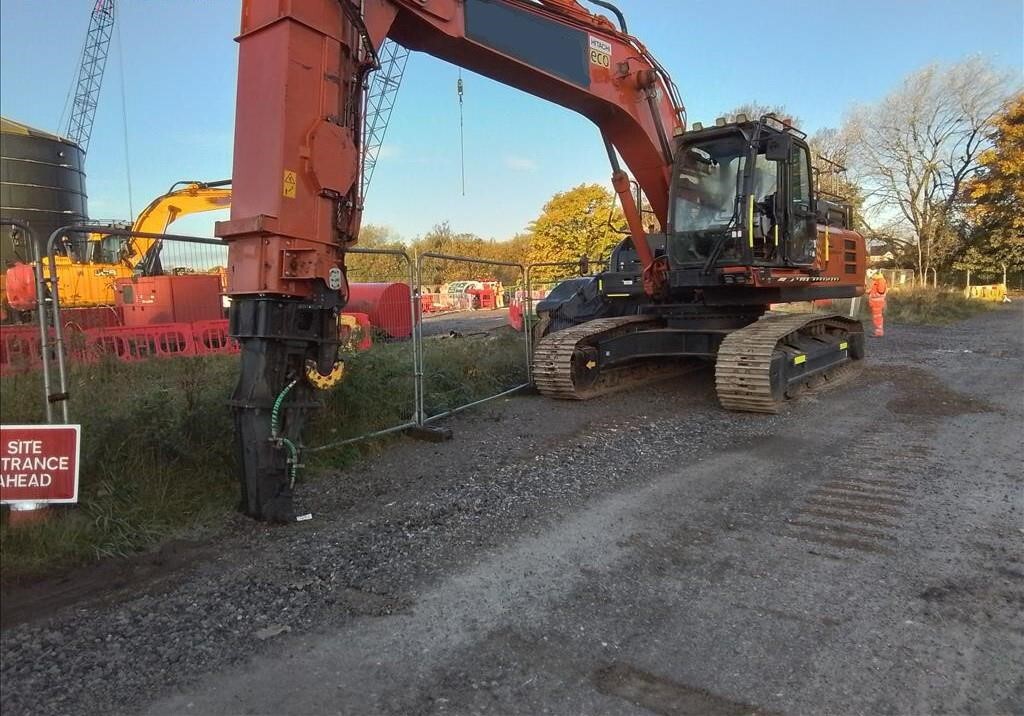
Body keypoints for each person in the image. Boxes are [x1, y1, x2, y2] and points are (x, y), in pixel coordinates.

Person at [868, 272, 888, 337]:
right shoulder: (878, 281)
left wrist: (871, 294)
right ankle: (878, 332)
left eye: (872, 276)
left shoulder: (881, 281)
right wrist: (869, 292)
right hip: (876, 303)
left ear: (876, 274)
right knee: (877, 318)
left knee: (877, 318)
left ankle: (879, 332)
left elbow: (881, 292)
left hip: (877, 303)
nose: (872, 278)